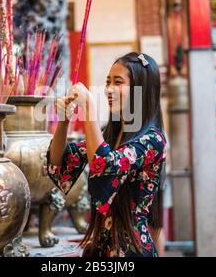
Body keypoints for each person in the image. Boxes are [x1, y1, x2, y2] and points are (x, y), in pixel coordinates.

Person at [46, 52, 167, 257]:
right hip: (100, 249)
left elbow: (104, 170)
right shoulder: (107, 137)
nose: (108, 89)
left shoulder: (152, 140)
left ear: (141, 89)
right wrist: (63, 121)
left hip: (131, 252)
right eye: (107, 82)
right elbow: (59, 166)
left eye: (118, 82)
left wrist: (89, 109)